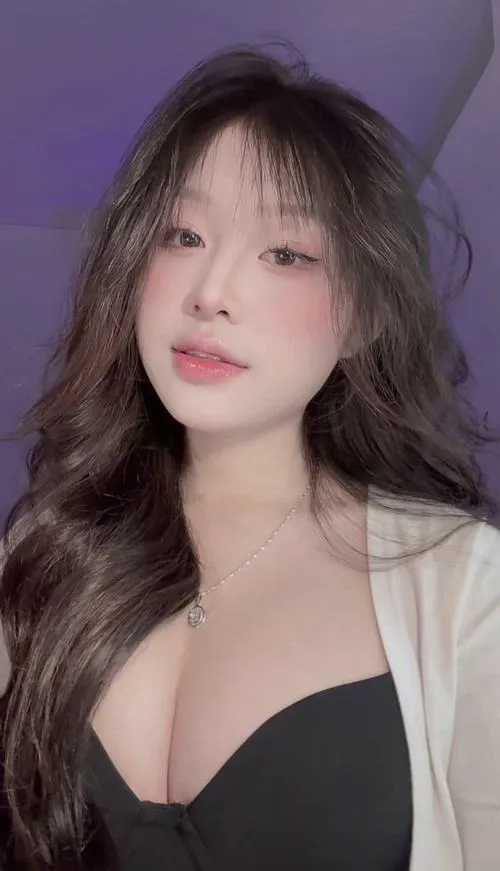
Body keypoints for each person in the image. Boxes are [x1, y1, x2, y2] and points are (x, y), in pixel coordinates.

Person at [0, 43, 499, 871]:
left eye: (286, 253)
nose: (211, 291)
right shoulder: (45, 552)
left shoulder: (467, 592)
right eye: (183, 234)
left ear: (367, 314)